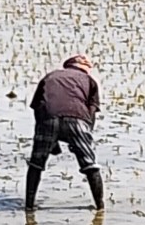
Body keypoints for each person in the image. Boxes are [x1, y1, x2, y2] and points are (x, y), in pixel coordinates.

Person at [26, 54, 102, 209]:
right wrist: (85, 139)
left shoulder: (51, 77)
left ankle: (28, 205)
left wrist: (48, 138)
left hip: (48, 117)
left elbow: (37, 107)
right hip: (78, 118)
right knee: (90, 165)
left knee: (36, 164)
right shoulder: (89, 81)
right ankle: (100, 207)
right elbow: (91, 112)